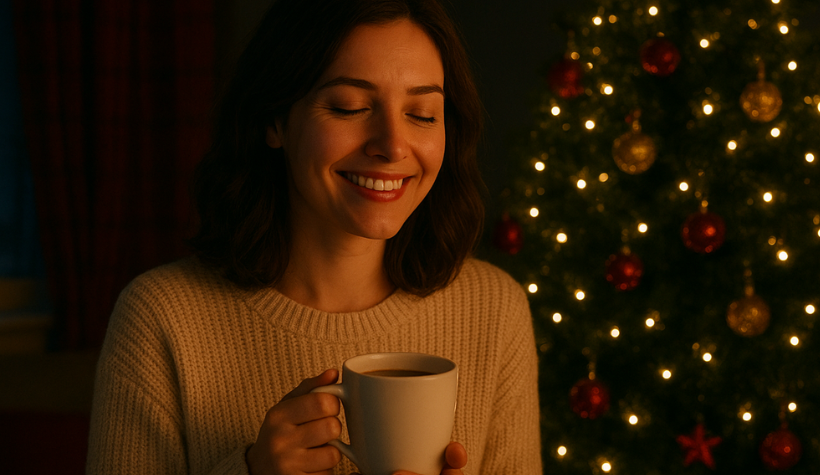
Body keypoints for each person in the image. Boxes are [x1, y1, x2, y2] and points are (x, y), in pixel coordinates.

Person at [86, 0, 542, 474]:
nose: (392, 146)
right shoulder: (161, 318)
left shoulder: (493, 310)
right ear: (274, 120)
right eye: (350, 107)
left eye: (423, 114)